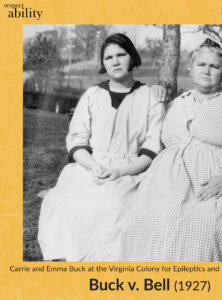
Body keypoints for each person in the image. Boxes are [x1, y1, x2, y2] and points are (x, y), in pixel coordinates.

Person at [120, 38, 222, 261]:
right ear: (190, 68)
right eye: (201, 65)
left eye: (214, 66)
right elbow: (145, 128)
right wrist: (154, 94)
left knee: (199, 231)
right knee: (143, 224)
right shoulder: (178, 102)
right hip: (166, 186)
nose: (207, 71)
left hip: (215, 184)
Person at [38, 33, 166, 261]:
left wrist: (119, 172)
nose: (115, 62)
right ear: (103, 63)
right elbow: (77, 141)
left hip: (130, 170)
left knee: (115, 207)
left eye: (121, 54)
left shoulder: (149, 97)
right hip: (90, 166)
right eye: (108, 57)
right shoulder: (92, 95)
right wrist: (92, 165)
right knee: (67, 204)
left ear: (132, 57)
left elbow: (151, 149)